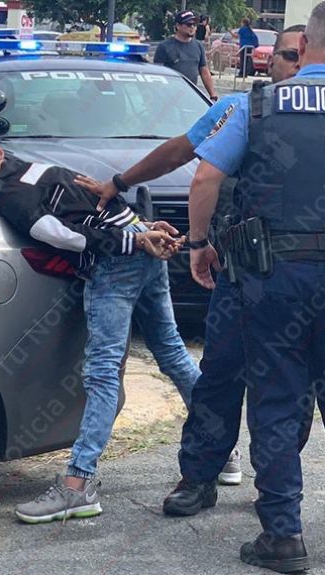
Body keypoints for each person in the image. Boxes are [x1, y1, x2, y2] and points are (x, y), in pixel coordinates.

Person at [74, 25, 310, 498]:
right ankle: (201, 477)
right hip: (242, 271)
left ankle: (276, 492)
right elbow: (179, 154)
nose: (296, 65)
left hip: (299, 276)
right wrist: (118, 182)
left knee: (292, 391)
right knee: (219, 377)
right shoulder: (242, 108)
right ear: (271, 61)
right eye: (287, 55)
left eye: (299, 56)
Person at [0, 135, 200, 524]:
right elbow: (90, 202)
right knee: (171, 351)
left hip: (119, 258)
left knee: (102, 372)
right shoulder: (36, 166)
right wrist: (140, 228)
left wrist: (133, 240)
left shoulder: (11, 194)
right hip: (140, 241)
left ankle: (77, 484)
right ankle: (218, 450)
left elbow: (61, 235)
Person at [186, 4, 325, 571]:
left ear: (308, 43)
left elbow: (205, 177)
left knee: (276, 397)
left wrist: (199, 244)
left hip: (275, 278)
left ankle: (284, 536)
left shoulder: (259, 105)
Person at [155, 11, 220, 101]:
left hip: (190, 96)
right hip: (168, 97)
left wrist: (213, 95)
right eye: (189, 24)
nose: (192, 27)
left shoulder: (198, 46)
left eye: (194, 24)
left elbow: (204, 71)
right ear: (178, 26)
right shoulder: (164, 47)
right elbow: (157, 74)